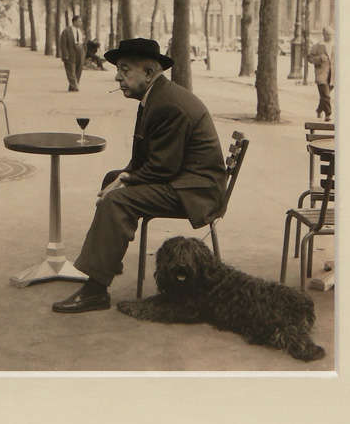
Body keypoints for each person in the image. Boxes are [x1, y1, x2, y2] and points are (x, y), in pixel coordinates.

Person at [52, 37, 227, 314]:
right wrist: (122, 175)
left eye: (124, 70)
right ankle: (108, 260)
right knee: (112, 178)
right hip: (183, 179)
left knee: (117, 200)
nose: (117, 77)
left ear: (148, 73)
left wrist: (127, 180)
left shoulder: (169, 104)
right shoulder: (156, 96)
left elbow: (163, 167)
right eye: (118, 70)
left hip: (194, 190)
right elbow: (147, 156)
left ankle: (95, 290)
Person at [308, 26, 335, 122]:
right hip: (321, 74)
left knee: (324, 95)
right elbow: (309, 58)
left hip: (332, 76)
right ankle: (328, 114)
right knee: (326, 96)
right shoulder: (318, 46)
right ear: (323, 34)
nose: (329, 36)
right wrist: (319, 59)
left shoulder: (335, 45)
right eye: (327, 34)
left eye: (331, 34)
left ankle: (319, 109)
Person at [59, 15, 85, 91]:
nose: (81, 23)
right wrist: (65, 55)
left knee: (79, 70)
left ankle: (72, 86)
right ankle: (75, 86)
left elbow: (83, 42)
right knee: (71, 70)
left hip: (80, 52)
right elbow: (63, 44)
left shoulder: (80, 31)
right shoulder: (66, 31)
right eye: (79, 21)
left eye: (81, 21)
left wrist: (83, 52)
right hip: (71, 53)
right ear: (74, 21)